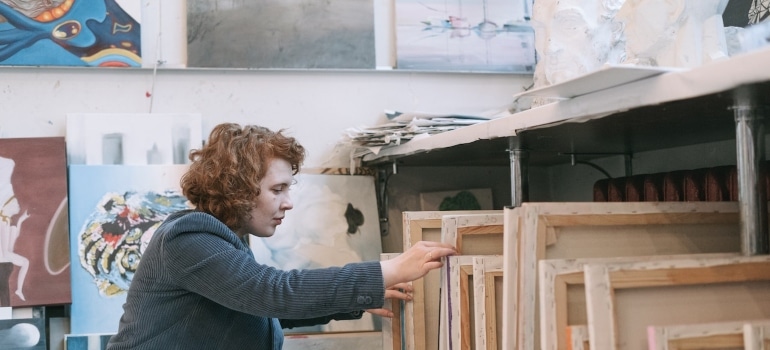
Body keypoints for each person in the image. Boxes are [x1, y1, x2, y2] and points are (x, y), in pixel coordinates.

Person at [106, 123, 457, 350]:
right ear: (238, 189)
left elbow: (258, 310)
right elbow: (271, 292)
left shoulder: (225, 238)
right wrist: (387, 270)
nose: (288, 203)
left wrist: (356, 300)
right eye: (277, 189)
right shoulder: (189, 238)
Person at [0, 156, 30, 304]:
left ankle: (19, 289)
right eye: (15, 203)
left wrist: (21, 221)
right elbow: (6, 251)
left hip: (6, 261)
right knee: (25, 262)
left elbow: (14, 237)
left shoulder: (6, 222)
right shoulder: (2, 222)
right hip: (4, 260)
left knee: (25, 262)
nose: (17, 204)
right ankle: (19, 290)